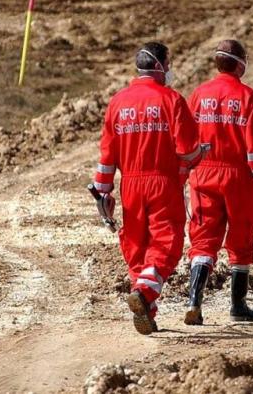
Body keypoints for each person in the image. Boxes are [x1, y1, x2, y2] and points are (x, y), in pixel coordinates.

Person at [93, 41, 203, 335]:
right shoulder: (171, 100)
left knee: (137, 246)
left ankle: (147, 311)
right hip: (163, 182)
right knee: (166, 244)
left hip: (129, 185)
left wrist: (103, 192)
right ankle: (143, 293)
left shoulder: (117, 102)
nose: (170, 70)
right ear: (158, 66)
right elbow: (188, 149)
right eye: (168, 64)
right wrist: (199, 155)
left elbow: (107, 155)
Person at [184, 39, 253, 325]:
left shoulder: (198, 95)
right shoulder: (249, 98)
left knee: (203, 238)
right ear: (241, 63)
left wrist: (185, 174)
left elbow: (186, 142)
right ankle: (238, 305)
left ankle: (194, 301)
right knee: (241, 240)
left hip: (202, 175)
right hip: (238, 179)